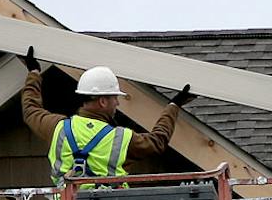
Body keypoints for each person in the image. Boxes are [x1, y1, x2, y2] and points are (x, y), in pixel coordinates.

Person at [18, 47, 194, 186]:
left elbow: (31, 110)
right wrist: (174, 105)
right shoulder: (120, 138)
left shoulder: (58, 127)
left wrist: (34, 72)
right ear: (102, 101)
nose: (117, 103)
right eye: (114, 98)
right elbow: (157, 141)